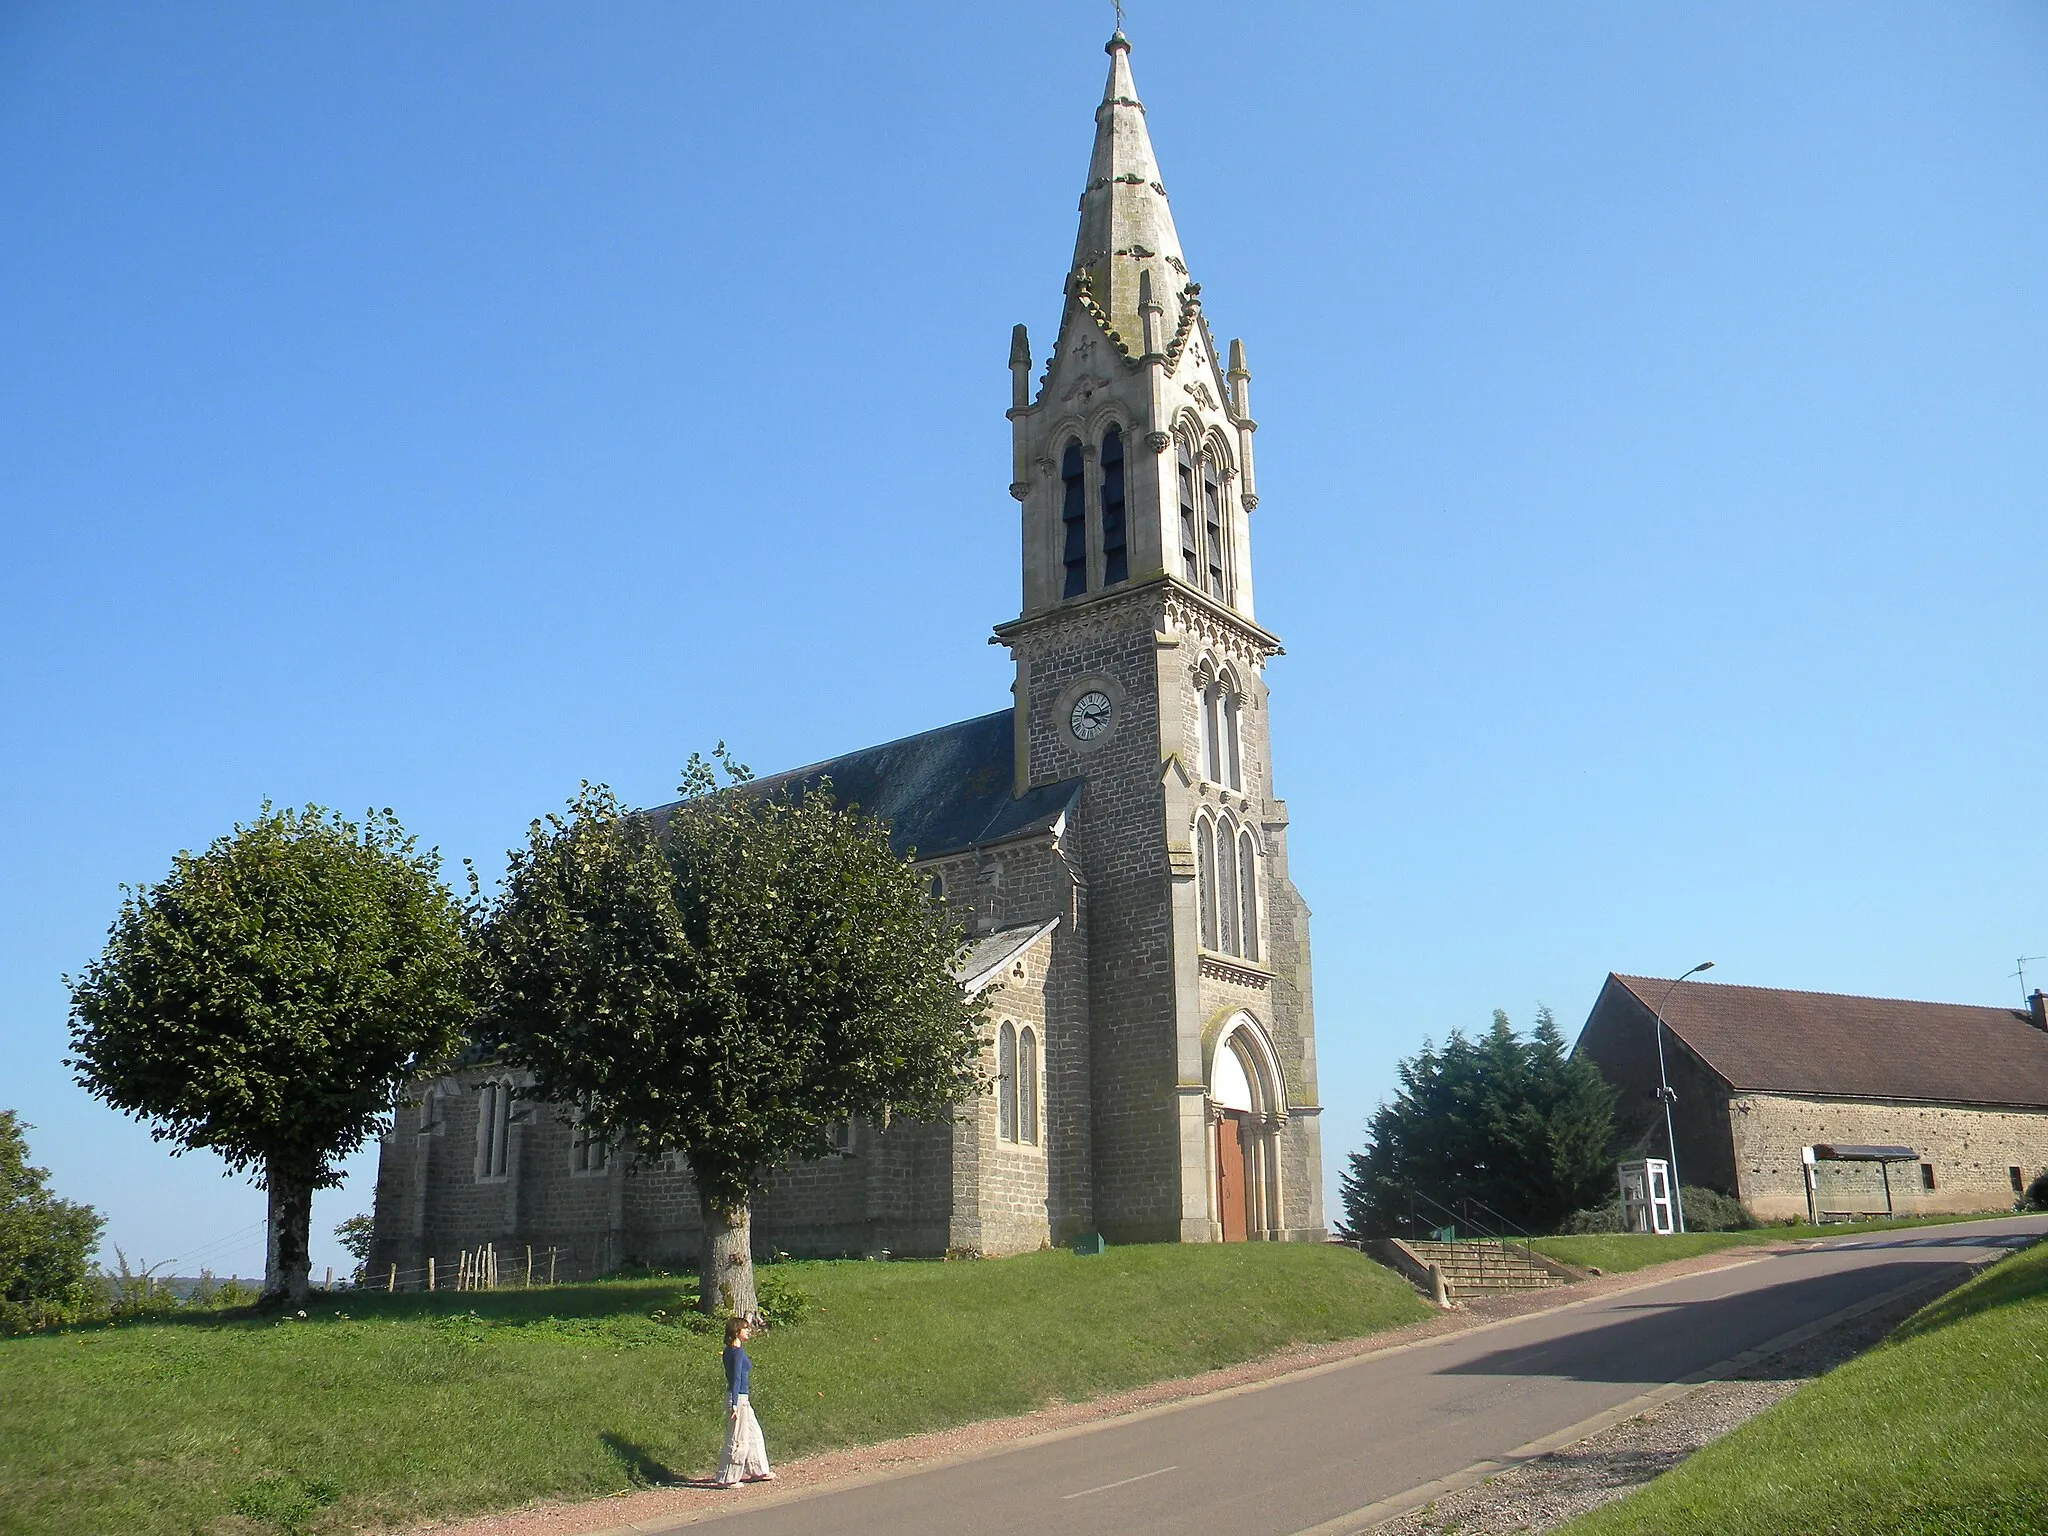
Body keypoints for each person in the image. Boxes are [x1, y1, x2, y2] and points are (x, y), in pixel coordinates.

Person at [717, 1316, 774, 1487]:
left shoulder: (731, 1351)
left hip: (743, 1398)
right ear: (736, 1331)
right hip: (739, 1398)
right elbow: (734, 1378)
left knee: (754, 1433)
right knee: (737, 1437)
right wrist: (734, 1402)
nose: (748, 1331)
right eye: (745, 1328)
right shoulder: (735, 1352)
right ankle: (728, 1477)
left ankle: (758, 1470)